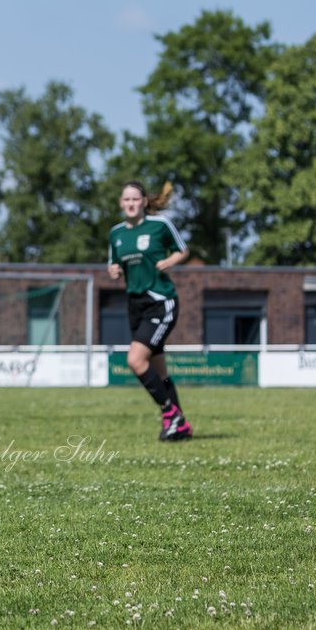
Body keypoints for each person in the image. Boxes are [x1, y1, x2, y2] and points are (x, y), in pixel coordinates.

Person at [107, 181, 193, 441]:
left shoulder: (160, 225)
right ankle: (181, 426)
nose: (131, 204)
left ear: (144, 201)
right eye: (126, 200)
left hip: (161, 301)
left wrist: (169, 261)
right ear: (121, 204)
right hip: (135, 305)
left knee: (135, 360)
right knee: (160, 371)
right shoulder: (116, 233)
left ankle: (171, 413)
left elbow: (183, 250)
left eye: (135, 199)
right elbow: (113, 263)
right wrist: (113, 270)